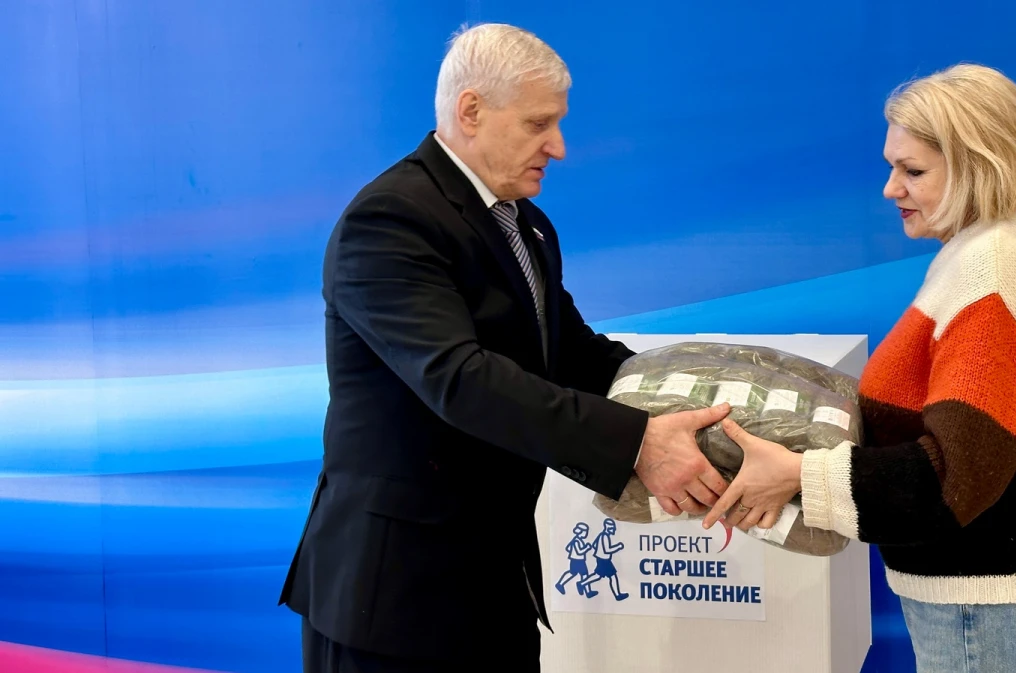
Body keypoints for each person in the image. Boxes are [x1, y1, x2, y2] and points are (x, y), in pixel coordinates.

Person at [278, 23, 732, 672]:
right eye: (538, 123)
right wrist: (639, 443)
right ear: (471, 110)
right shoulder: (389, 220)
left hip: (494, 587)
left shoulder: (525, 223)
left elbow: (573, 354)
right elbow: (459, 379)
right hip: (392, 605)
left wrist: (703, 406)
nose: (559, 146)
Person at [703, 64, 1016, 672]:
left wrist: (798, 474)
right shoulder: (990, 250)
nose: (890, 189)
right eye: (892, 167)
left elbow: (954, 479)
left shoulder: (992, 279)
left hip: (991, 601)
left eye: (913, 171)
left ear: (980, 166)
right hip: (996, 597)